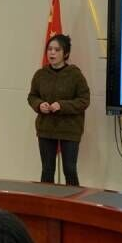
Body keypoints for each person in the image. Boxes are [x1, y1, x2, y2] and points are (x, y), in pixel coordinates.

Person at [27, 33, 91, 186]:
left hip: (70, 129)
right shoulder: (40, 74)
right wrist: (39, 105)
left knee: (70, 169)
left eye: (57, 50)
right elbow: (32, 96)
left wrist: (62, 106)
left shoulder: (75, 75)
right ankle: (45, 200)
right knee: (47, 170)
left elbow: (84, 100)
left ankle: (73, 199)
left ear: (66, 53)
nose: (52, 53)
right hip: (46, 129)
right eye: (50, 49)